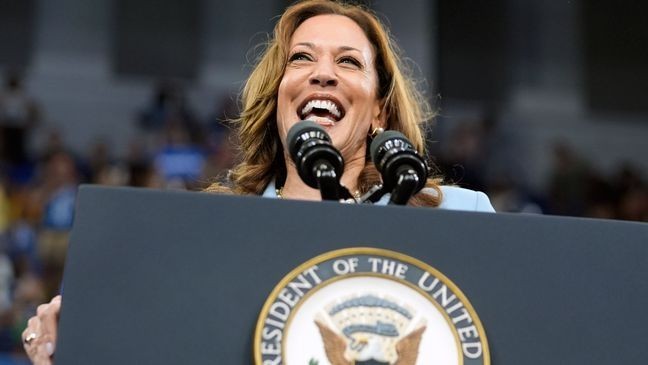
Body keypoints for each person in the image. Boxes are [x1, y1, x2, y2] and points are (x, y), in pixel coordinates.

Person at [21, 0, 494, 363]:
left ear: (379, 112)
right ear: (277, 98)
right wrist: (69, 348)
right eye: (301, 58)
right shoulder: (203, 236)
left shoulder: (461, 217)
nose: (322, 74)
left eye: (348, 62)